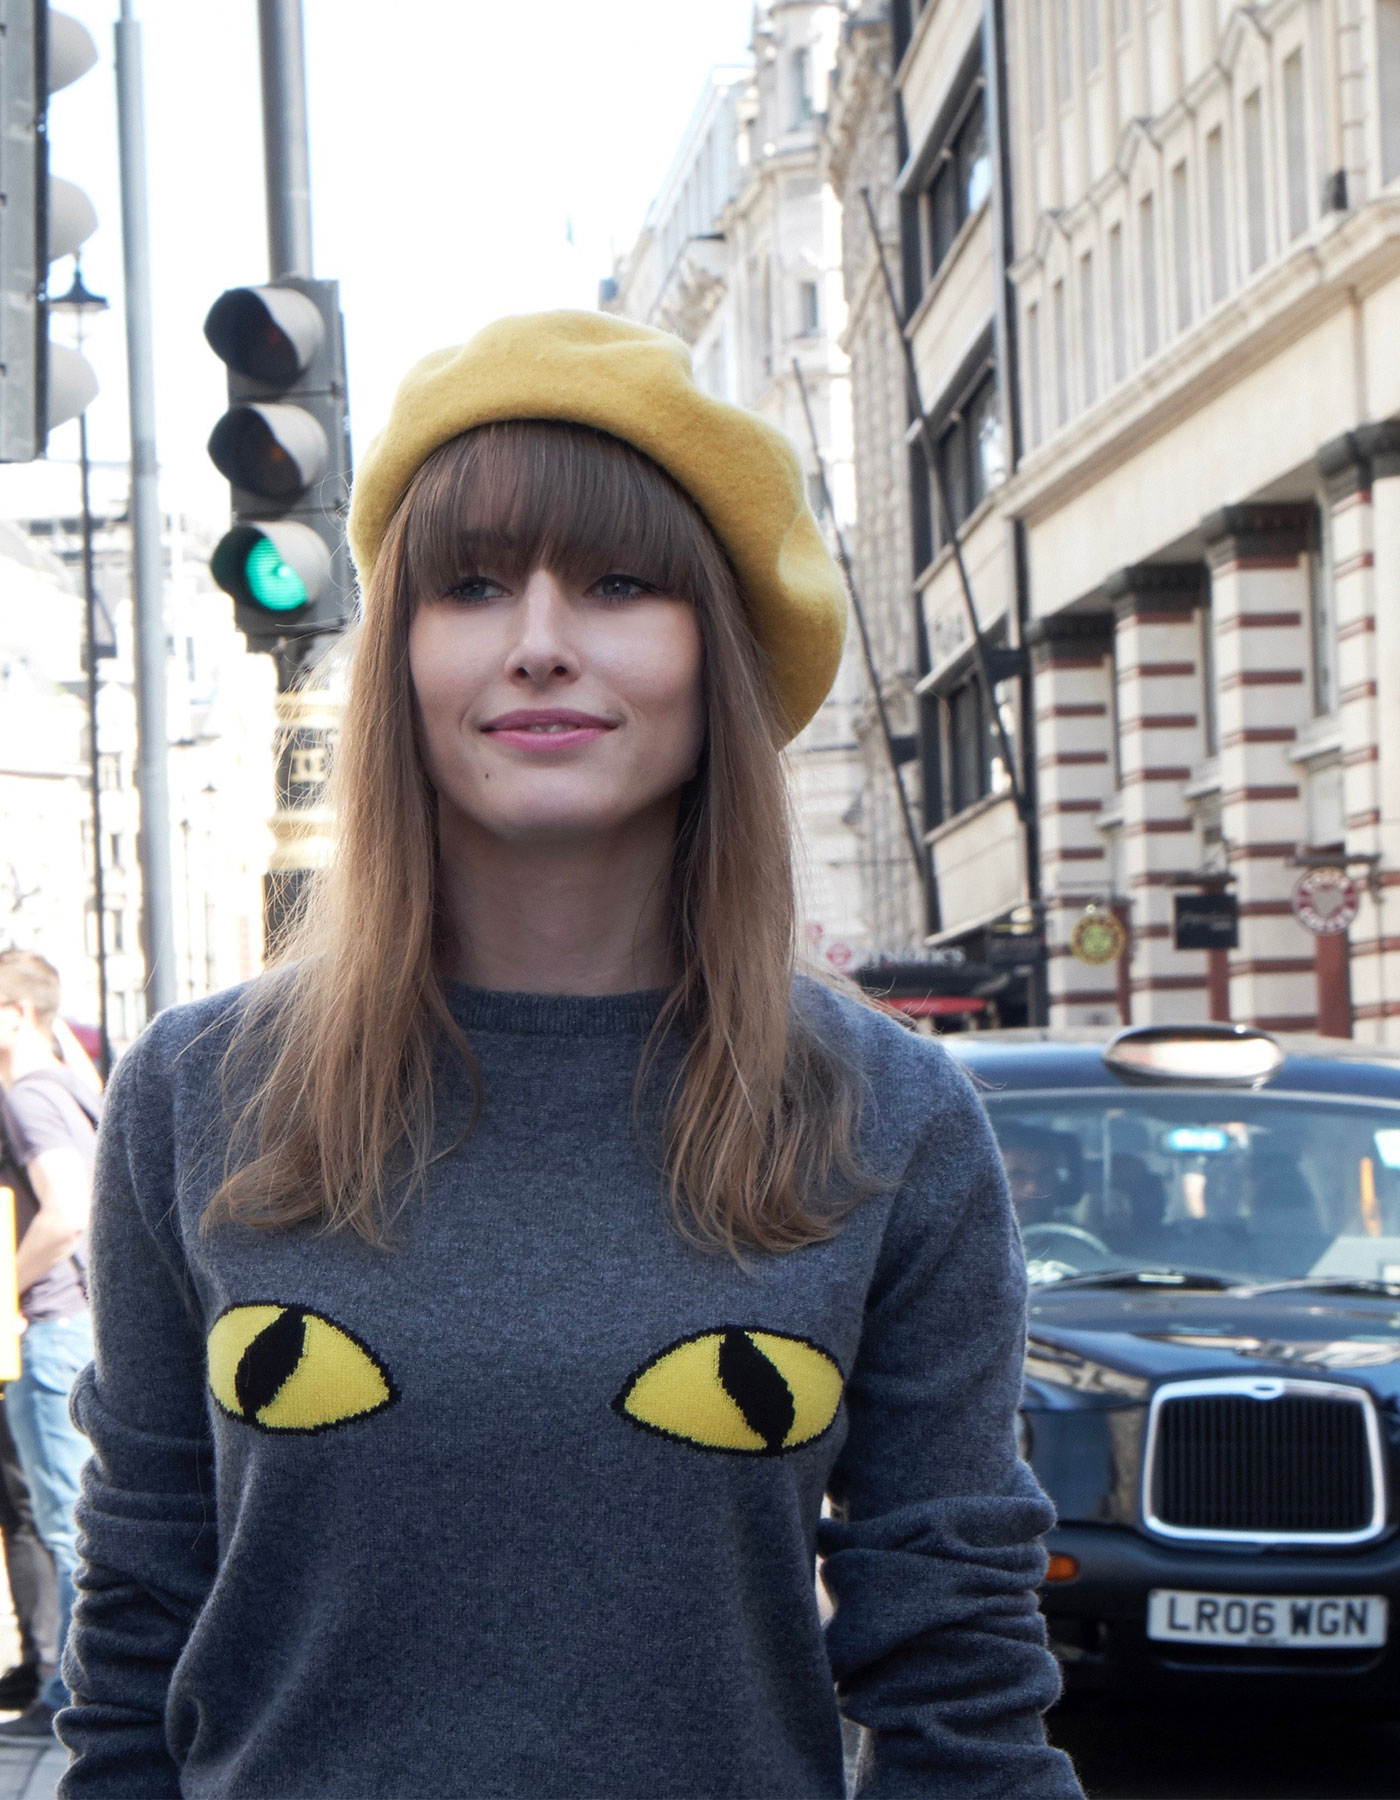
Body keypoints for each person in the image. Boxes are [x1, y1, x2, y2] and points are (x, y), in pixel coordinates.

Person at [58, 312, 1083, 1798]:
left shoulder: (890, 1118)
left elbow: (962, 1683)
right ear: (401, 651)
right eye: (471, 585)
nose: (539, 641)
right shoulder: (196, 1094)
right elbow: (137, 1643)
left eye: (616, 583)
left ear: (713, 653)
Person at [0, 951, 98, 1744]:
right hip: (81, 1325)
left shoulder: (27, 1097)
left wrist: (5, 1288)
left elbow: (65, 1211)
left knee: (65, 1522)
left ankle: (67, 1695)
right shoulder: (72, 1085)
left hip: (53, 1327)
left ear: (15, 1014)